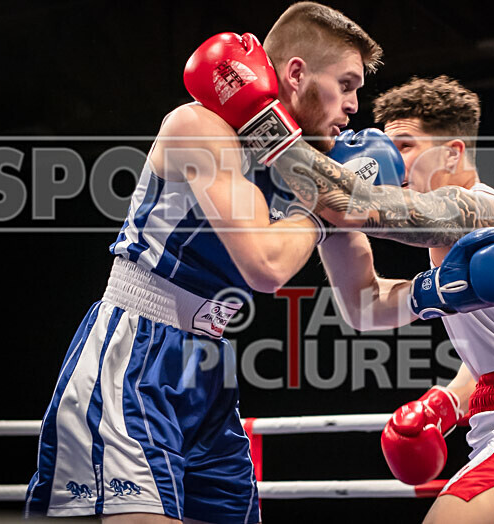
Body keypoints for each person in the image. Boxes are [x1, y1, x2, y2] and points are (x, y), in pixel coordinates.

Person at [23, 3, 384, 522]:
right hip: (135, 355)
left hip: (207, 369)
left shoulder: (303, 166)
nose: (354, 105)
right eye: (347, 84)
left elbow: (364, 299)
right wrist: (327, 208)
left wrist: (444, 281)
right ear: (298, 72)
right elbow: (266, 265)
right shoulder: (199, 126)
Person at [314, 76, 494, 523]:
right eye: (388, 147)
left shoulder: (481, 208)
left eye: (406, 145)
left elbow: (388, 215)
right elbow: (365, 306)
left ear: (453, 152)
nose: (392, 160)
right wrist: (448, 401)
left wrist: (303, 166)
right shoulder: (450, 257)